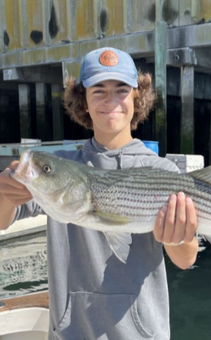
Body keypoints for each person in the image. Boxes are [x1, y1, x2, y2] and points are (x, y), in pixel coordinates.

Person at [0, 47, 198, 340]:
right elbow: (3, 220)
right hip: (70, 332)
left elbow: (186, 259)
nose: (110, 100)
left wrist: (178, 236)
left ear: (136, 97)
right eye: (98, 90)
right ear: (83, 100)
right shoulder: (62, 165)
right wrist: (4, 194)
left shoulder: (162, 171)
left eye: (121, 90)